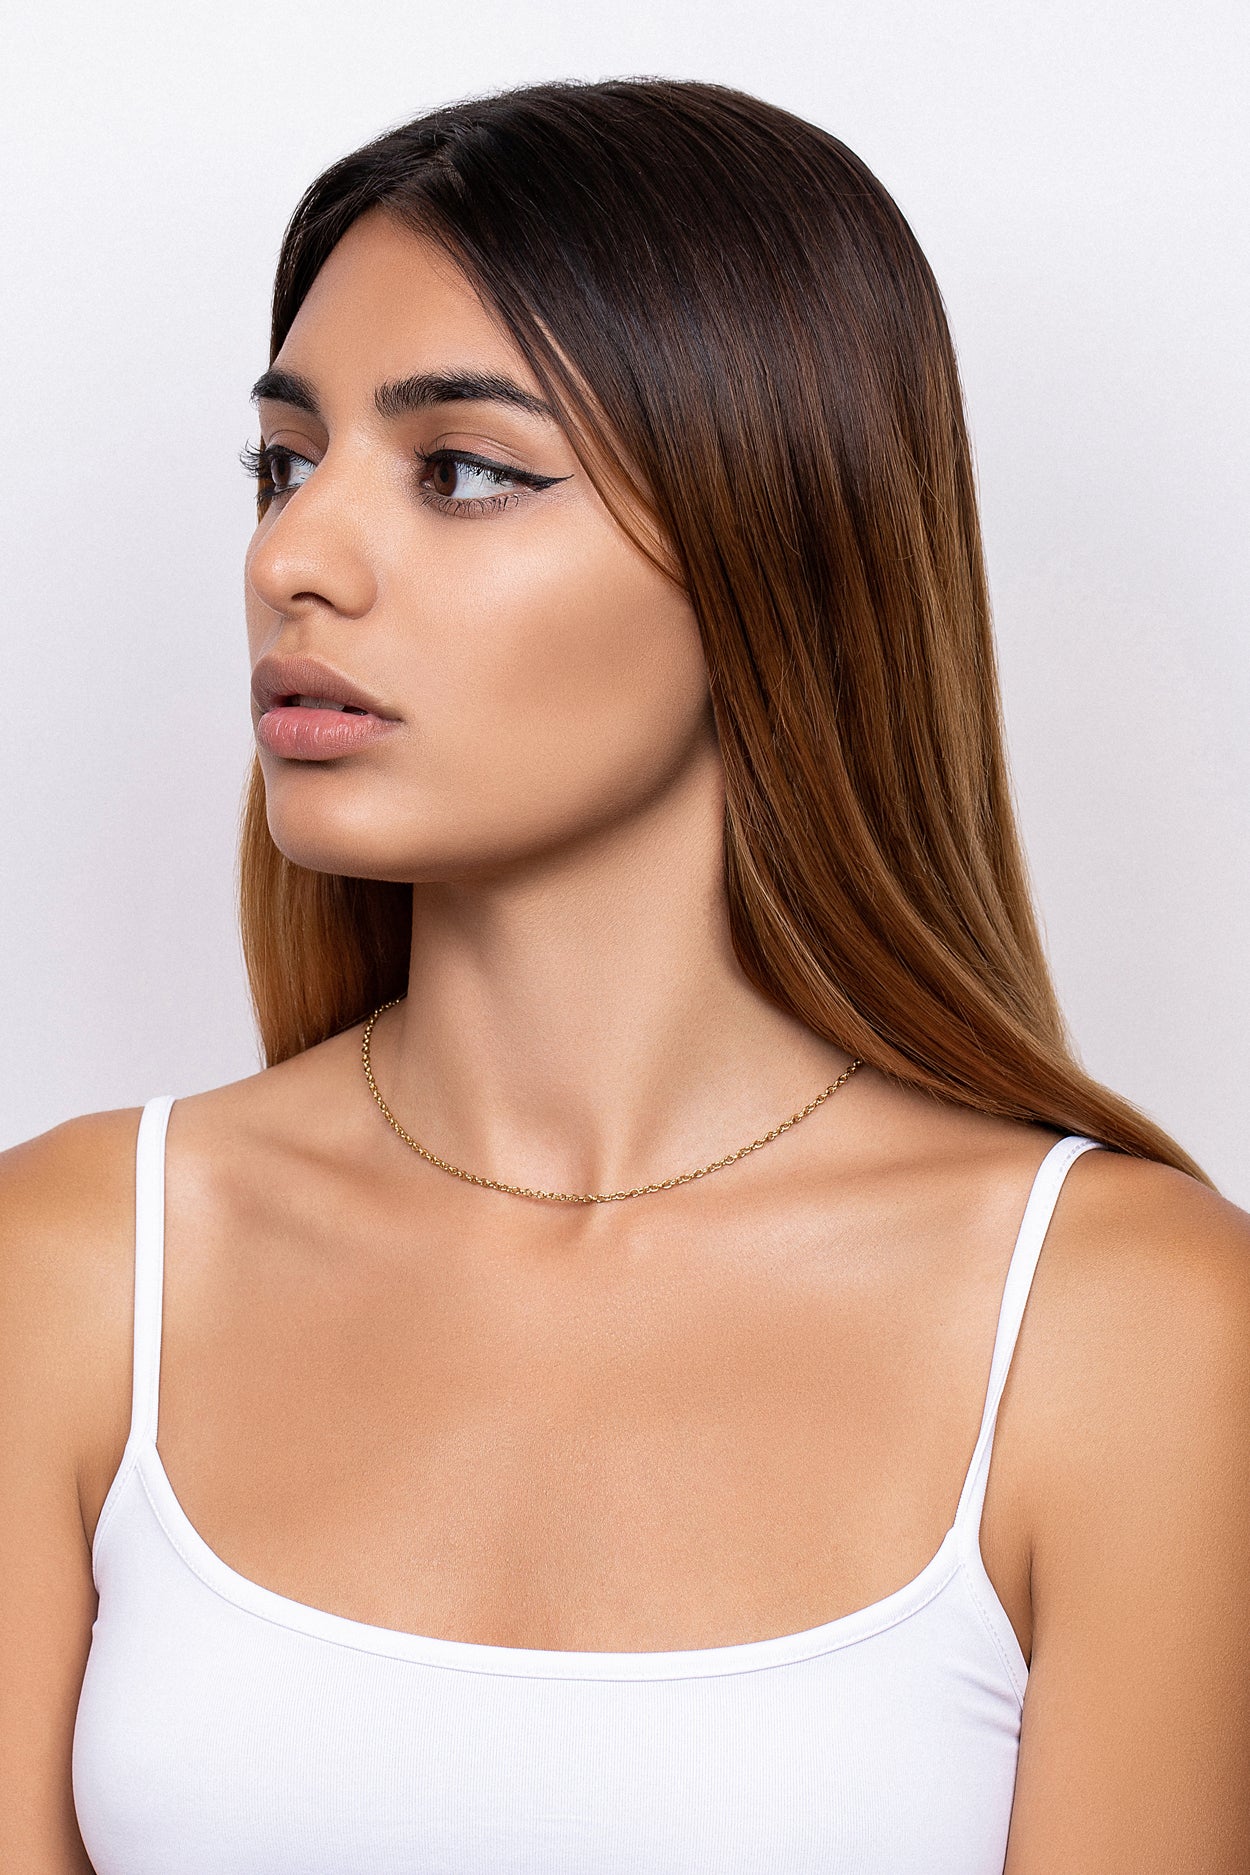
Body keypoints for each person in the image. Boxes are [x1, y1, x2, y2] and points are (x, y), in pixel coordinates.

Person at [2, 77, 1246, 1875]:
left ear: (774, 540)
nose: (290, 556)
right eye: (284, 463)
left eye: (462, 472)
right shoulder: (71, 1274)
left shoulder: (1122, 1327)